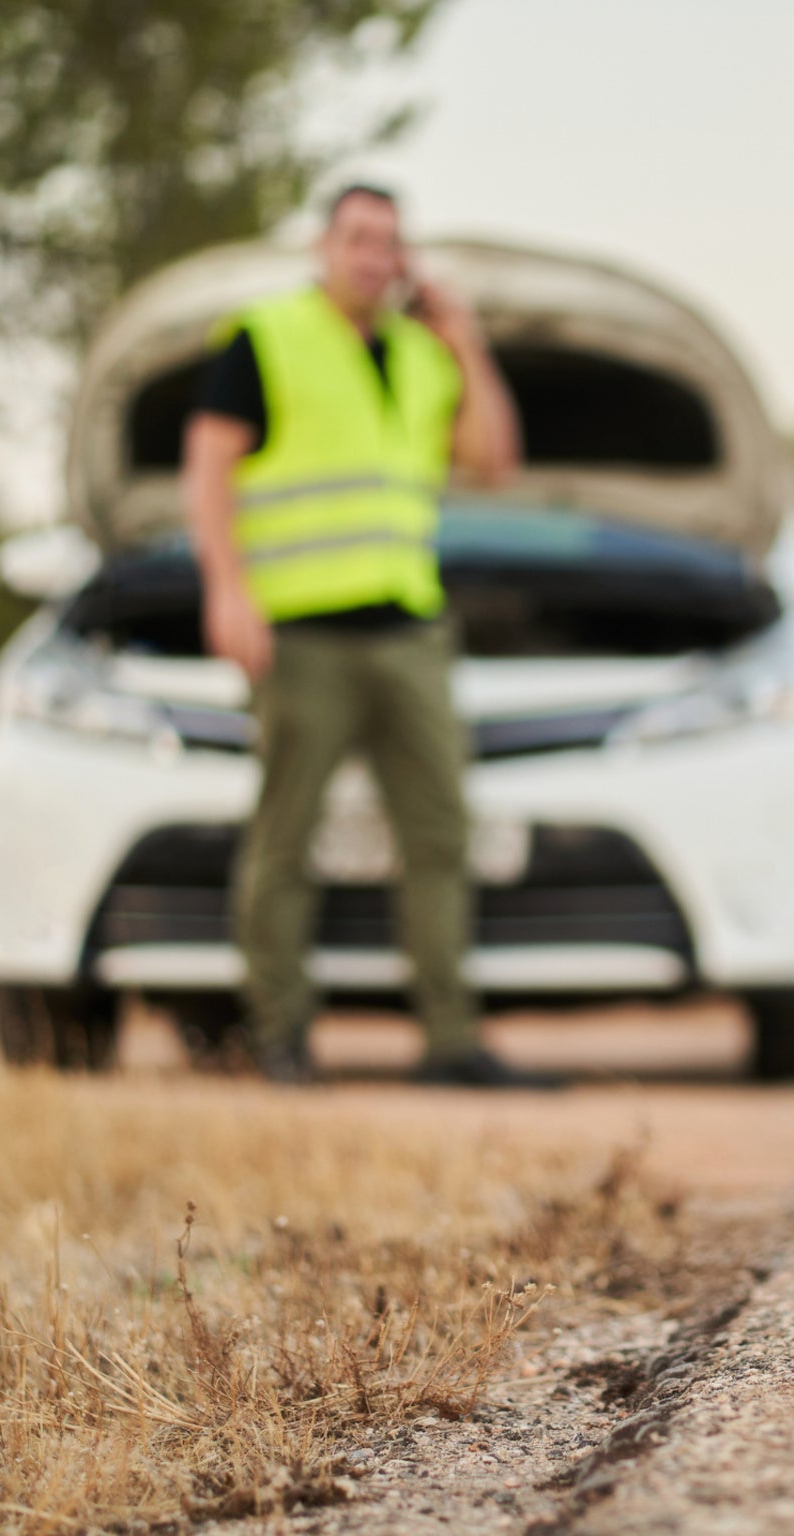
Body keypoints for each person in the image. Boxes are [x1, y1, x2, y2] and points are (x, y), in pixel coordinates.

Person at [183, 183, 549, 1088]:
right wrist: (227, 591)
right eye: (357, 238)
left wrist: (462, 341)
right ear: (322, 247)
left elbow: (495, 462)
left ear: (405, 259)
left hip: (408, 631)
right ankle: (282, 1034)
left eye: (389, 243)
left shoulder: (424, 357)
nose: (373, 257)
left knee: (439, 835)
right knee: (287, 833)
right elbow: (208, 465)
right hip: (302, 631)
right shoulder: (265, 335)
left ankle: (450, 1040)